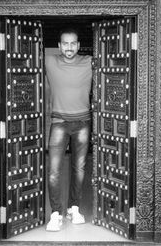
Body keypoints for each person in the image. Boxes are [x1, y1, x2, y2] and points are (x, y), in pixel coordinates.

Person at [45, 28, 92, 231]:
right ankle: (56, 214)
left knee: (79, 170)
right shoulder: (49, 62)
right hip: (59, 122)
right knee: (54, 171)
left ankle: (74, 208)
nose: (69, 47)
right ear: (59, 46)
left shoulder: (90, 62)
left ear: (79, 45)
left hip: (83, 122)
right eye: (65, 43)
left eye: (73, 43)